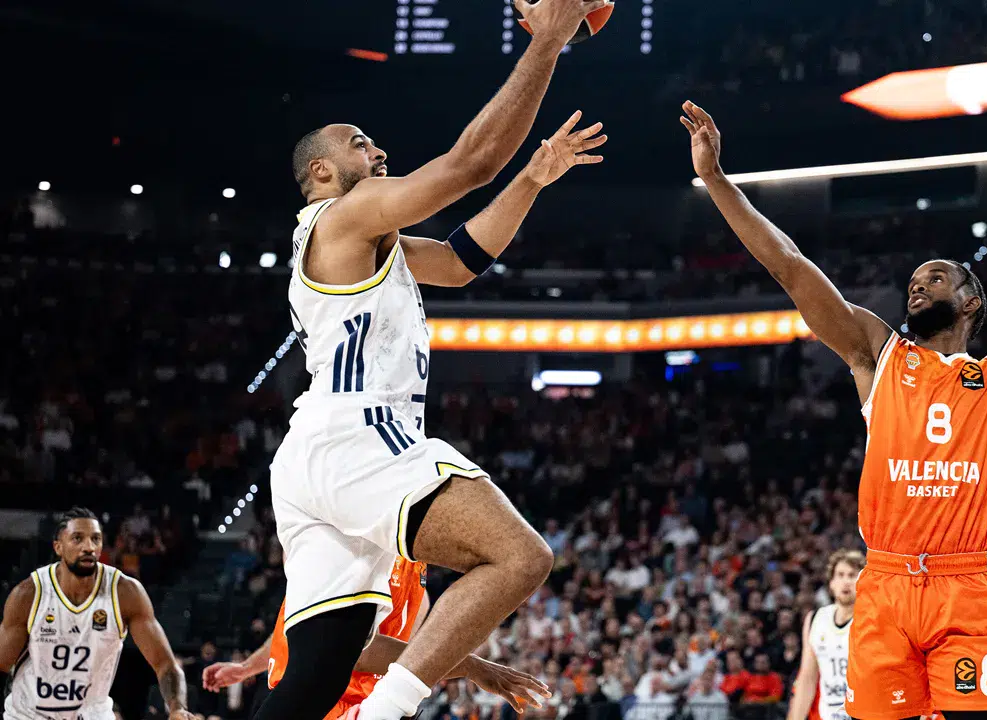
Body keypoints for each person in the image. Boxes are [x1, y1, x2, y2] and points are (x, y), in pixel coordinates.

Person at [680, 100, 987, 720]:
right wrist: (716, 180)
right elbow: (789, 266)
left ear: (972, 302)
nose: (918, 284)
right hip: (886, 584)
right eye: (915, 280)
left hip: (964, 584)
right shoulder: (877, 352)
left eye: (937, 277)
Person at [261, 0, 610, 717]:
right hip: (357, 436)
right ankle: (387, 713)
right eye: (361, 143)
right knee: (520, 556)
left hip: (312, 455)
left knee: (318, 673)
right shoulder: (345, 216)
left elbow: (457, 262)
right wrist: (548, 39)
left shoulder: (362, 240)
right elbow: (469, 164)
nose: (378, 152)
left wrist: (531, 179)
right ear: (321, 169)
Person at [202, 557, 549, 719]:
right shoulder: (360, 552)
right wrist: (471, 667)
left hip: (354, 703)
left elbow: (408, 660)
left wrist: (247, 667)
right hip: (316, 698)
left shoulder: (419, 582)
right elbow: (346, 648)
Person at [0, 507, 195, 720]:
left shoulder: (125, 593)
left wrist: (177, 708)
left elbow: (166, 664)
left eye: (96, 539)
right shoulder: (29, 594)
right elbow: (1, 664)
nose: (89, 547)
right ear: (58, 547)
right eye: (77, 538)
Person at [786, 550, 864, 720]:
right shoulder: (816, 619)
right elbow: (807, 677)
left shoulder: (872, 619)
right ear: (831, 583)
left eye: (852, 575)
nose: (846, 581)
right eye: (840, 575)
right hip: (828, 713)